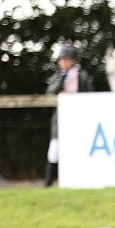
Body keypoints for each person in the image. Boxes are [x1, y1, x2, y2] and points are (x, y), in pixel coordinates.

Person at [44, 44, 93, 187]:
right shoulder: (57, 76)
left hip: (78, 118)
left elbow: (90, 96)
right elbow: (50, 93)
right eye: (61, 60)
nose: (63, 63)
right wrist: (62, 79)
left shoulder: (82, 77)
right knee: (54, 149)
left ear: (73, 61)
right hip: (60, 119)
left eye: (66, 60)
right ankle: (48, 182)